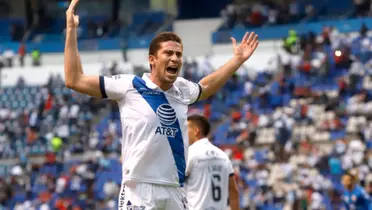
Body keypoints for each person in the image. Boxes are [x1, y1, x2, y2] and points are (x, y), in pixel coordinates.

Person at [64, 0, 258, 209]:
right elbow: (74, 80)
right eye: (168, 53)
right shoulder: (130, 86)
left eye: (179, 54)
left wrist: (237, 60)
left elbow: (206, 87)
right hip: (139, 190)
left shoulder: (182, 89)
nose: (175, 58)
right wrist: (71, 31)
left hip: (175, 190)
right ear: (152, 60)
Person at [185, 115, 240, 210]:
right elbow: (233, 190)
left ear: (196, 131)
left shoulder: (190, 153)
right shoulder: (223, 156)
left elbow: (176, 184)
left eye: (187, 129)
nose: (185, 133)